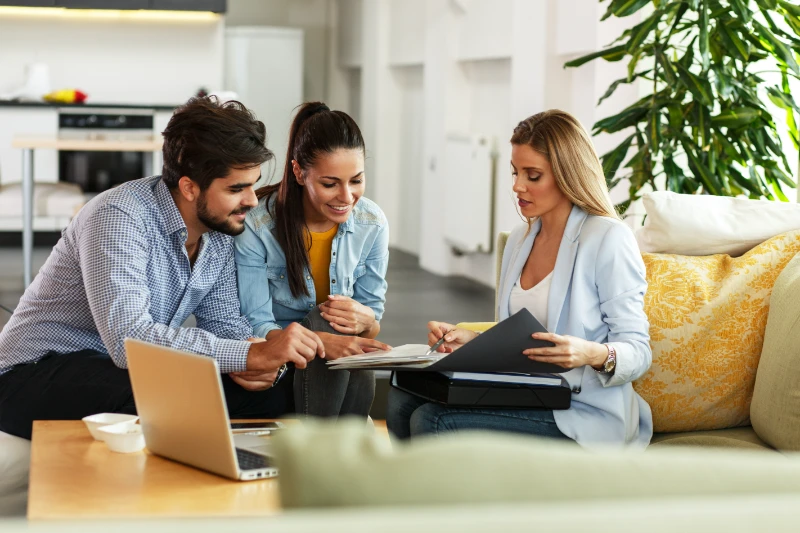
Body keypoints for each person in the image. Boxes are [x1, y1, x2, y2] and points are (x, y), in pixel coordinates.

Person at [0, 97, 324, 440]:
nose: (251, 200)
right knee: (167, 394)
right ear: (189, 187)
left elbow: (225, 324)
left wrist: (261, 364)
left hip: (116, 368)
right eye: (236, 189)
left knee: (276, 394)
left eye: (252, 184)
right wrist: (248, 354)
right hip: (33, 372)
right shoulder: (118, 217)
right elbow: (130, 340)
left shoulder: (219, 233)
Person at [387, 110, 653, 449]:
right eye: (516, 172)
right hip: (528, 393)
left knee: (432, 419)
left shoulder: (607, 239)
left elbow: (639, 351)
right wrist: (473, 340)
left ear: (567, 175)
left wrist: (590, 353)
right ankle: (405, 500)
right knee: (401, 398)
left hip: (582, 410)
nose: (517, 186)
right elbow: (520, 338)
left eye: (533, 175)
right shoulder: (519, 239)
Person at [235, 102, 390, 420]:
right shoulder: (258, 224)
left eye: (356, 181)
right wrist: (321, 340)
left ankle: (333, 451)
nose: (347, 197)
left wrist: (366, 321)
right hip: (280, 357)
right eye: (330, 184)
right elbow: (256, 323)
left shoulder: (372, 222)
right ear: (298, 172)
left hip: (336, 365)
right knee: (325, 320)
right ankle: (338, 447)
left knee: (344, 330)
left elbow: (371, 324)